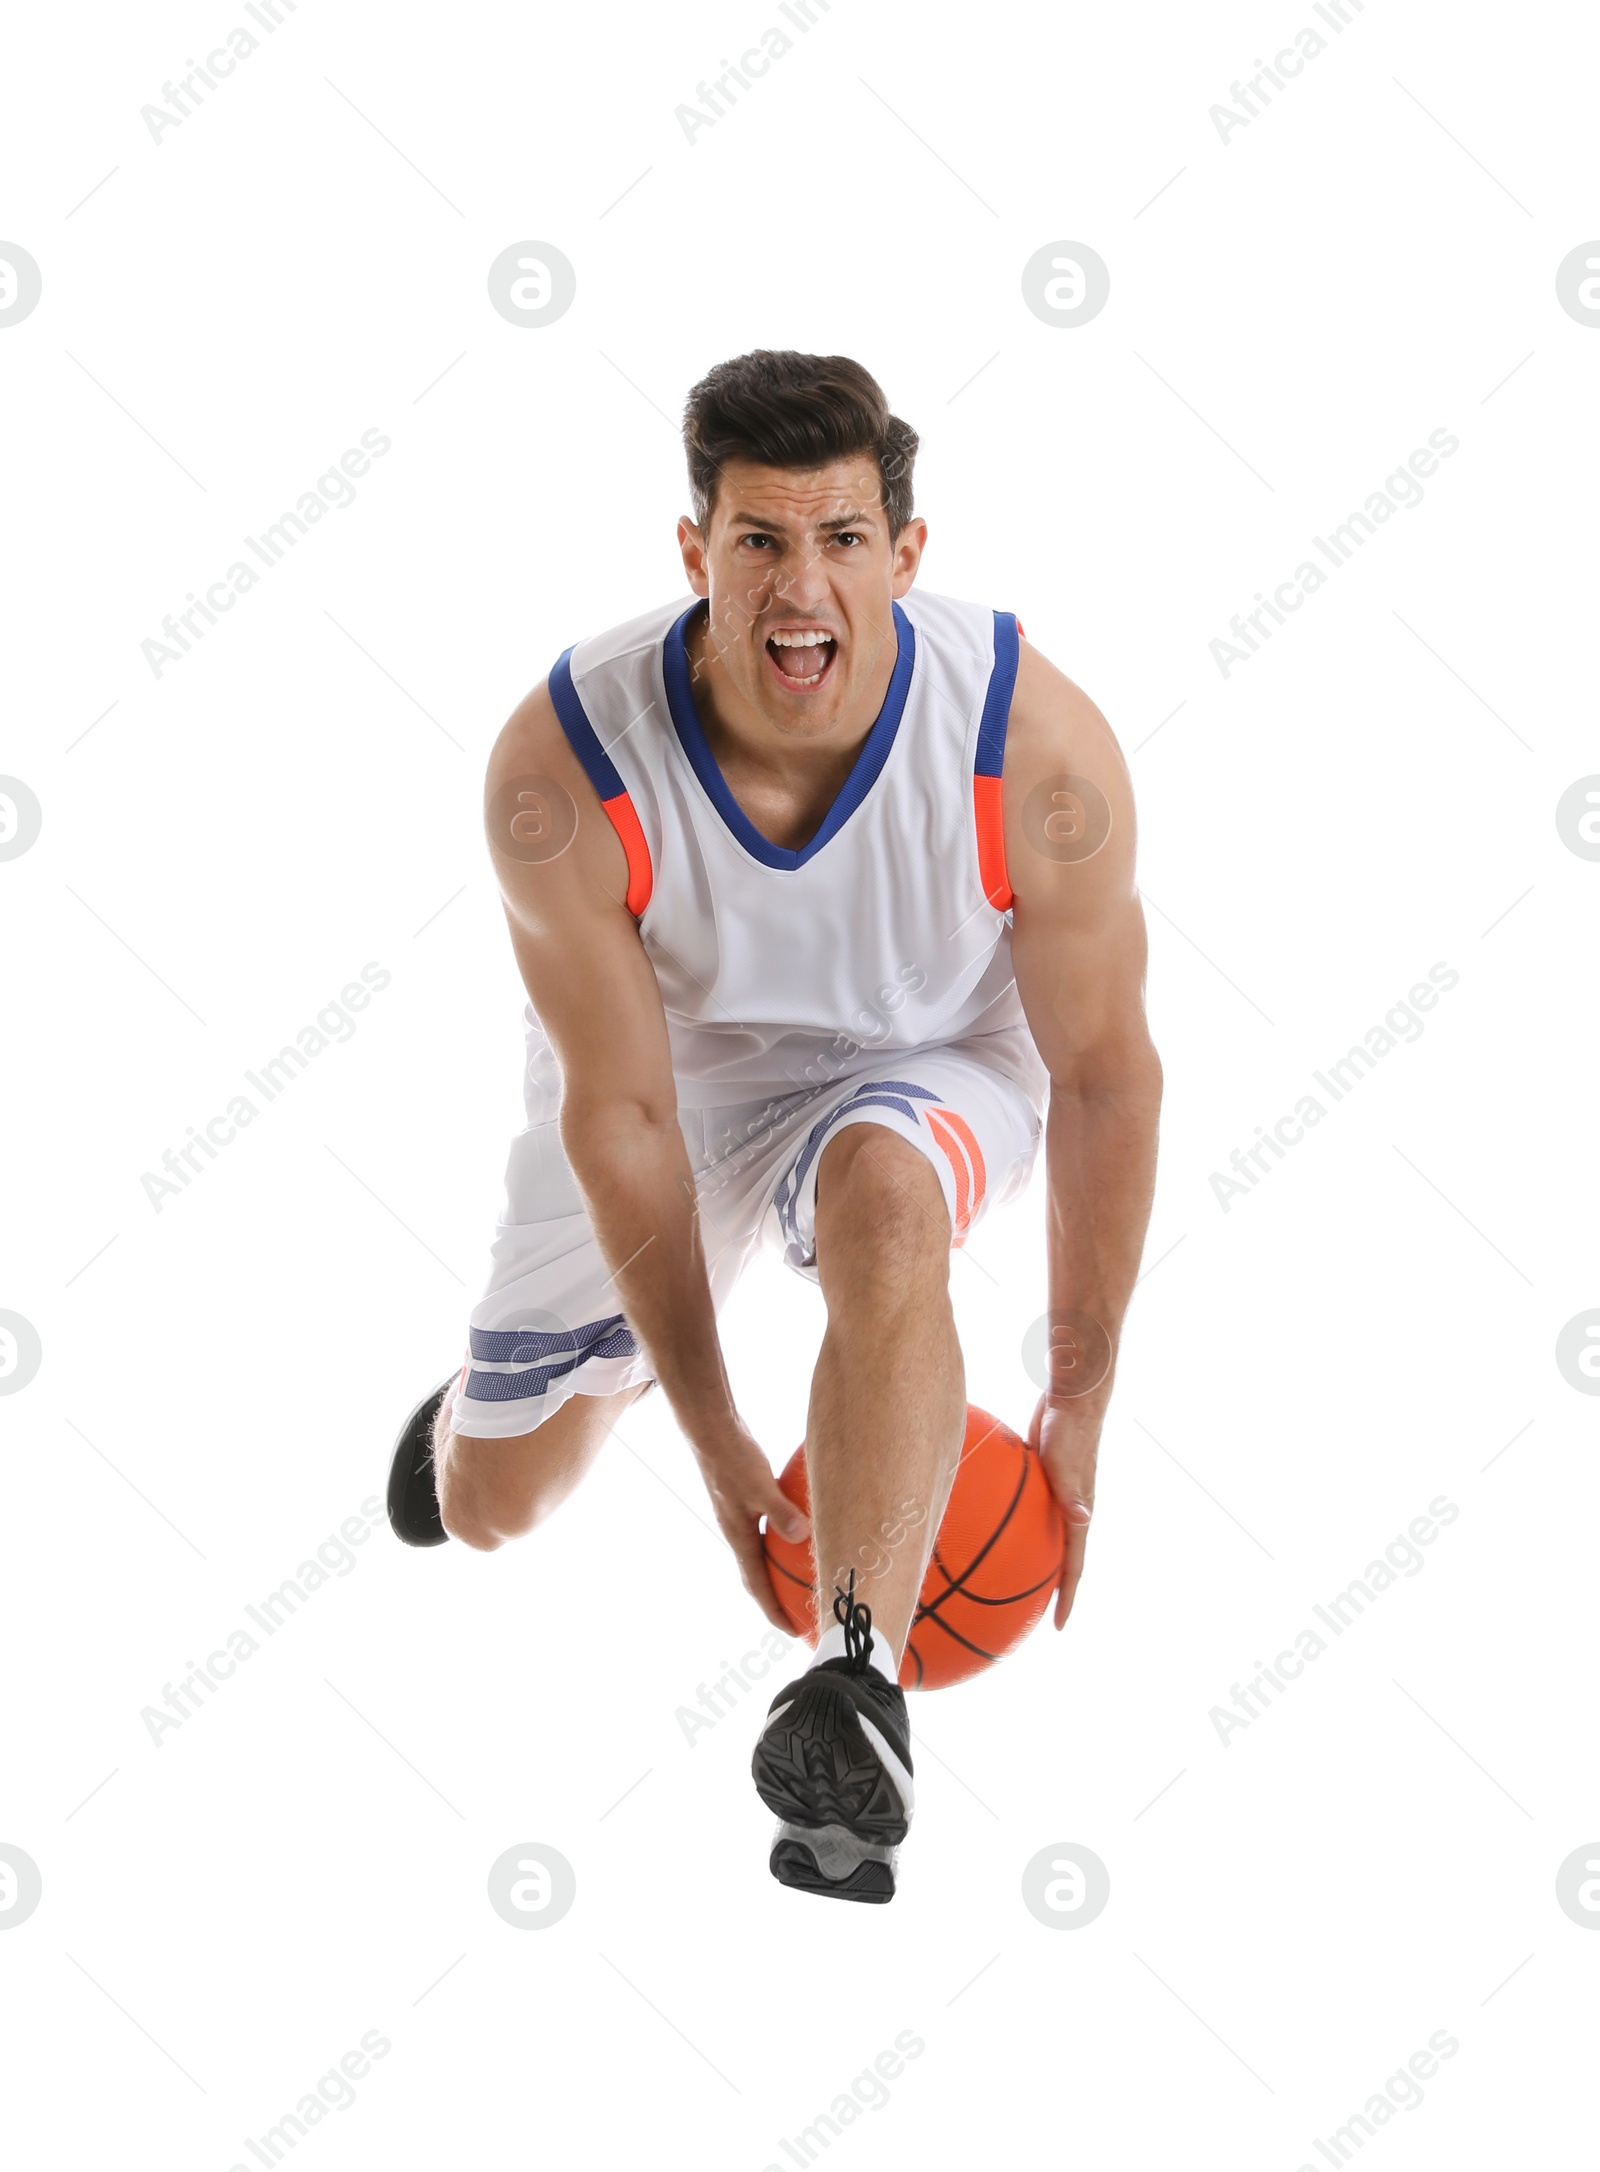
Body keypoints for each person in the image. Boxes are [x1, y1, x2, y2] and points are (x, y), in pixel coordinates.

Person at [386, 349, 1162, 1902]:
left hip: (934, 1049)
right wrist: (717, 1432)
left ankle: (853, 1678)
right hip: (679, 1081)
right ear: (696, 554)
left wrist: (1079, 1386)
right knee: (497, 1510)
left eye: (844, 540)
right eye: (758, 542)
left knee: (889, 1199)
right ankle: (502, 1406)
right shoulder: (563, 765)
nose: (802, 587)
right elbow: (618, 1114)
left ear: (907, 554)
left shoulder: (1035, 742)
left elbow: (1103, 1077)